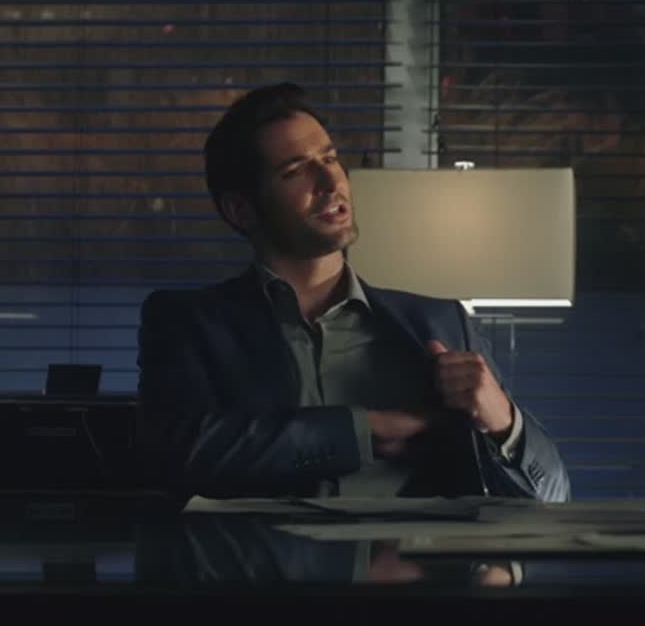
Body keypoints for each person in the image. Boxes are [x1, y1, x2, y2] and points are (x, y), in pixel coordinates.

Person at [136, 83, 570, 501]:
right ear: (241, 210)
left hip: (417, 553)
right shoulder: (189, 323)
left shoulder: (440, 323)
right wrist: (362, 432)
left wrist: (503, 421)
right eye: (295, 170)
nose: (331, 181)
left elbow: (551, 494)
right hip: (263, 553)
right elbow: (176, 455)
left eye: (330, 158)